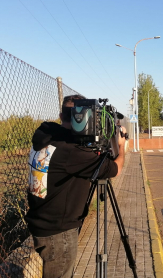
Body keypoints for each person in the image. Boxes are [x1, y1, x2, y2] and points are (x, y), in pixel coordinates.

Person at [25, 95, 127, 278]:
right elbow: (114, 169)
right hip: (58, 232)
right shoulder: (71, 151)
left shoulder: (47, 137)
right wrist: (122, 146)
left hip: (42, 222)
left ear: (61, 115)